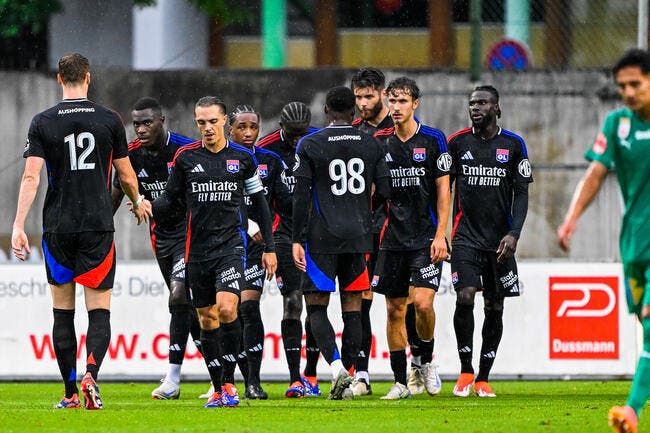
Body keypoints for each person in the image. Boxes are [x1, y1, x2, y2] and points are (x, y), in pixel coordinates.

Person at [11, 53, 152, 410]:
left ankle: (71, 392)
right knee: (99, 311)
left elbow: (31, 176)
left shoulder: (42, 122)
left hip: (58, 227)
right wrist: (138, 202)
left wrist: (18, 226)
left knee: (62, 312)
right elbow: (126, 175)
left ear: (60, 79)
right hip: (97, 225)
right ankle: (91, 372)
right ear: (87, 78)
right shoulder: (108, 120)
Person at [152, 96, 277, 408]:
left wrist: (270, 248)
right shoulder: (185, 158)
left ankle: (229, 384)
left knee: (226, 309)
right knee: (207, 319)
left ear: (224, 122)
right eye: (201, 122)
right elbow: (170, 201)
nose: (207, 128)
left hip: (231, 247)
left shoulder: (242, 158)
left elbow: (260, 203)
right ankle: (218, 386)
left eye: (212, 121)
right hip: (196, 251)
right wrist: (147, 205)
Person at [557, 48, 650, 433]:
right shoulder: (617, 124)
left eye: (636, 84)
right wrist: (571, 217)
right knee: (645, 327)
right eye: (622, 86)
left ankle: (631, 410)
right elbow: (596, 173)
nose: (628, 92)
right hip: (634, 245)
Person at [292, 86, 390, 400]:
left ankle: (337, 370)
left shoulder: (310, 143)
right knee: (353, 309)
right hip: (359, 237)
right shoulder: (371, 143)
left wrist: (296, 238)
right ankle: (350, 370)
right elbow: (386, 191)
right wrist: (364, 212)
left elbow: (301, 195)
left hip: (322, 238)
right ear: (355, 113)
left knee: (316, 308)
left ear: (326, 111)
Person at [111, 97, 201, 400]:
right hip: (161, 237)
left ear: (162, 121)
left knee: (178, 297)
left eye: (147, 122)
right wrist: (101, 230)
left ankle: (173, 379)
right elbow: (115, 191)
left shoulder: (185, 151)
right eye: (136, 123)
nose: (140, 129)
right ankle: (220, 375)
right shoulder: (132, 155)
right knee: (190, 308)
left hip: (191, 235)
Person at [447, 85, 532, 398]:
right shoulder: (455, 143)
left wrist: (514, 233)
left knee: (494, 305)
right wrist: (441, 232)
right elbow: (443, 190)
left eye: (482, 102)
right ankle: (465, 369)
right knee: (465, 296)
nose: (475, 107)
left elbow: (522, 193)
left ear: (497, 107)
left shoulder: (513, 144)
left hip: (500, 241)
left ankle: (483, 377)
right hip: (465, 237)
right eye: (471, 103)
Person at [372, 76, 450, 400]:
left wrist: (441, 235)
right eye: (392, 101)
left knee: (422, 303)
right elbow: (372, 190)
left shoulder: (433, 140)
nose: (396, 107)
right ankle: (401, 382)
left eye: (403, 101)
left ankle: (425, 362)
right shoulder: (379, 141)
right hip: (391, 239)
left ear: (415, 104)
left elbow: (444, 190)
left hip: (425, 237)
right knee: (393, 310)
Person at [257, 102, 322, 397]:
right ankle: (295, 377)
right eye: (292, 135)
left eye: (302, 135)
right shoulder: (267, 150)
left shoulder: (319, 141)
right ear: (281, 127)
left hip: (318, 235)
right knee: (293, 301)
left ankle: (312, 373)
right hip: (283, 234)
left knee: (316, 305)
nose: (298, 142)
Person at [227, 105, 292, 400]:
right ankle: (227, 378)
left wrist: (271, 242)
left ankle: (253, 381)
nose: (249, 133)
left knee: (249, 308)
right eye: (242, 127)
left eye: (253, 126)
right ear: (230, 129)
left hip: (256, 249)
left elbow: (280, 206)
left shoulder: (270, 161)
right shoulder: (217, 160)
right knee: (227, 313)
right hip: (224, 246)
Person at [349, 67, 395, 396]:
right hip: (363, 230)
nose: (363, 103)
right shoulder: (351, 134)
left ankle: (414, 369)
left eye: (369, 96)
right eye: (358, 97)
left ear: (382, 94)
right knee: (361, 301)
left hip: (397, 229)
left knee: (399, 303)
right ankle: (362, 373)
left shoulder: (402, 129)